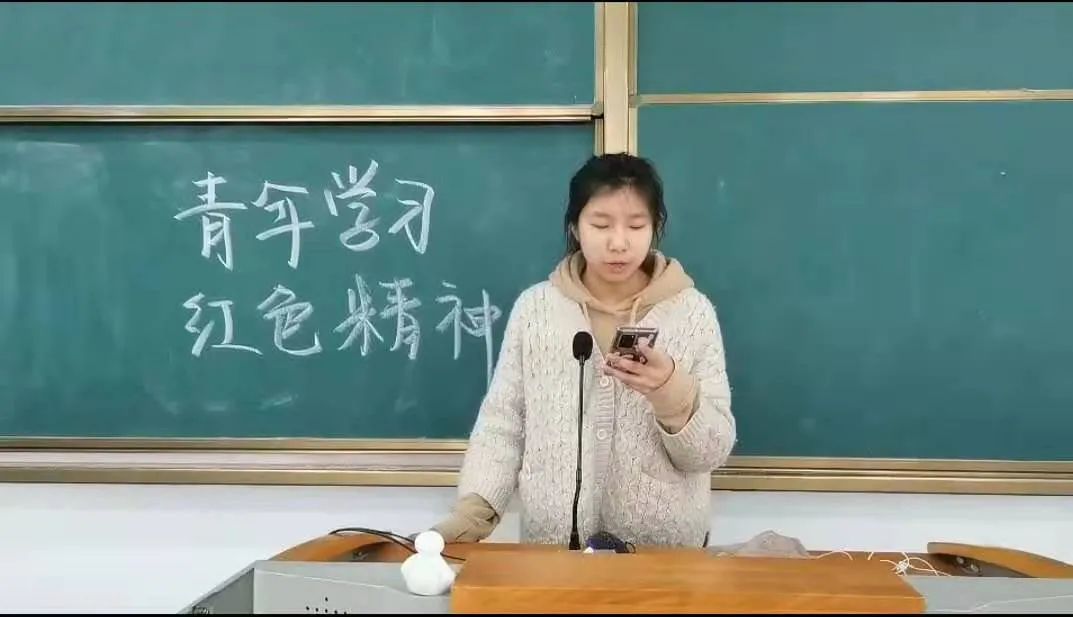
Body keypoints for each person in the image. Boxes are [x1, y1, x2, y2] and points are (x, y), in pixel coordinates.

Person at [430, 153, 736, 547]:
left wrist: (671, 393)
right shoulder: (536, 309)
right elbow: (503, 423)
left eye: (636, 226)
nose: (618, 243)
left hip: (664, 558)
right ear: (575, 226)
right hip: (553, 554)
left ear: (655, 228)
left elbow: (711, 452)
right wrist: (473, 513)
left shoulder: (692, 313)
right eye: (601, 225)